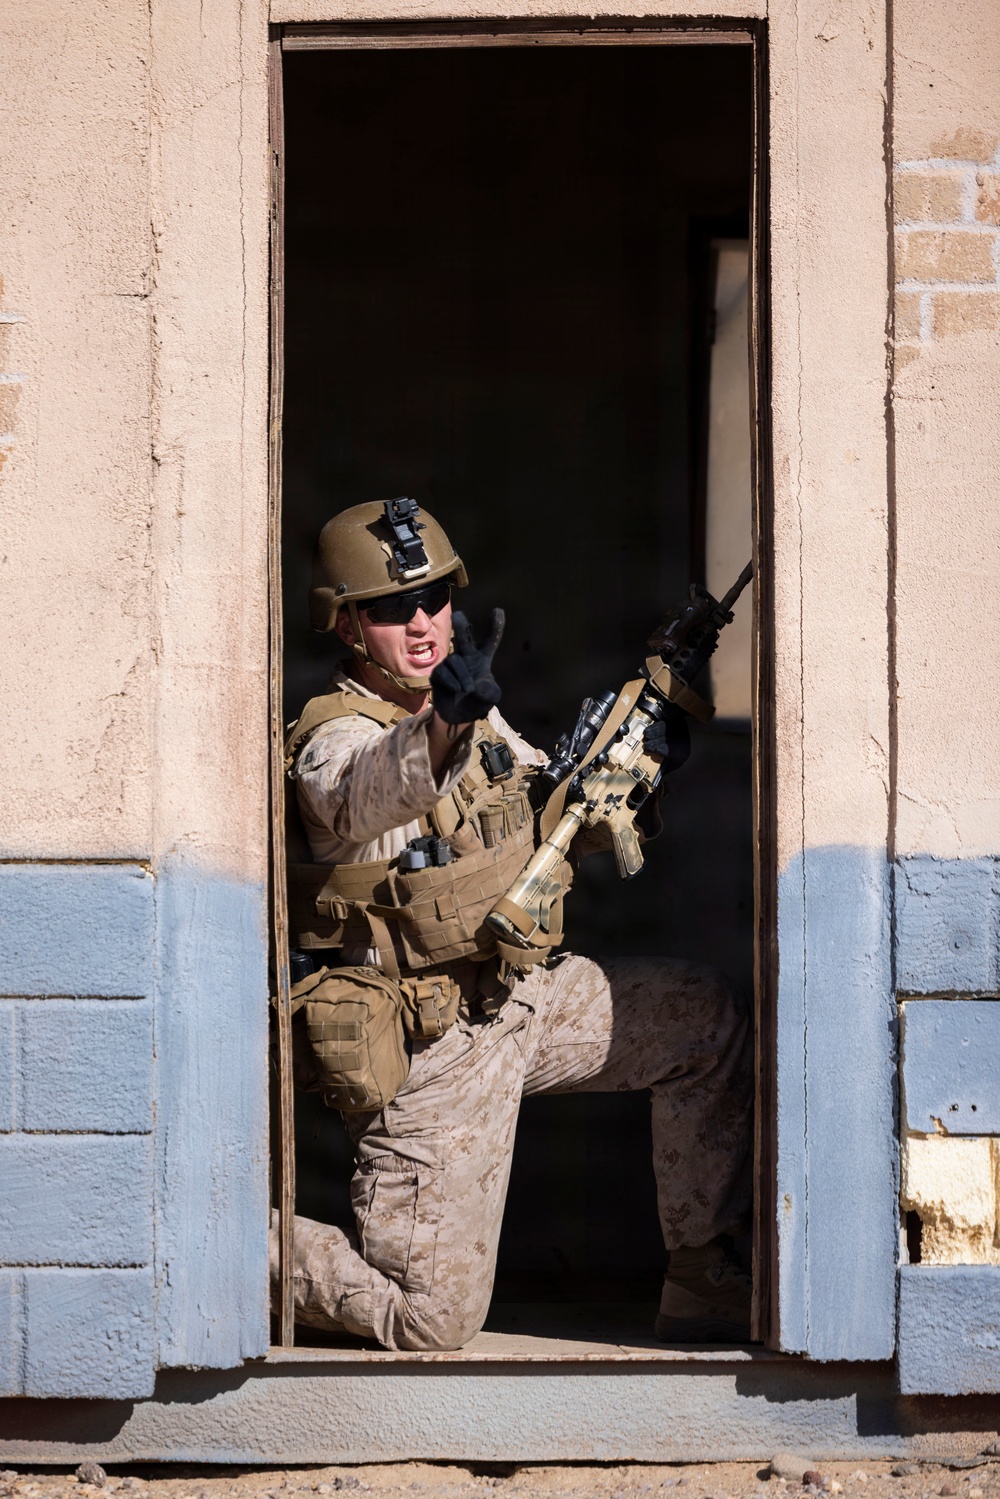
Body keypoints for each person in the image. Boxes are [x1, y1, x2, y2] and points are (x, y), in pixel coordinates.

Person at [272, 498, 752, 1352]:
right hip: (429, 1045)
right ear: (346, 625)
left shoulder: (476, 713)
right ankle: (213, 1240)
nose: (422, 623)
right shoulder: (331, 738)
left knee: (703, 1018)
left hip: (521, 999)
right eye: (392, 608)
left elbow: (550, 813)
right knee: (429, 1319)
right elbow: (371, 788)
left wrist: (638, 770)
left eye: (434, 599)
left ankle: (700, 1276)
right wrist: (443, 724)